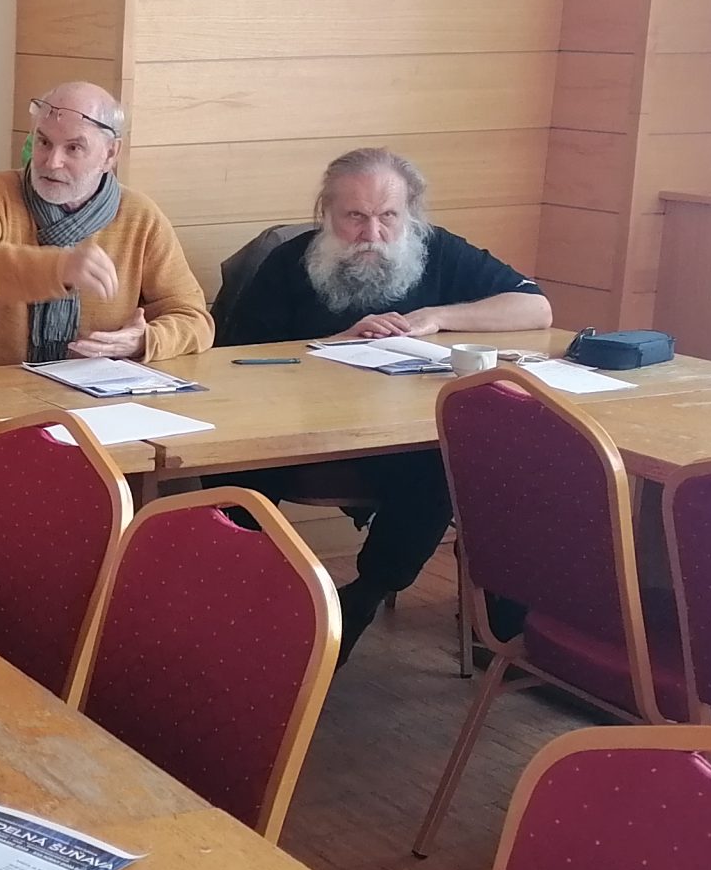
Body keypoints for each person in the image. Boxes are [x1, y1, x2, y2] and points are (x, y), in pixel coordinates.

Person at [219, 146, 553, 658]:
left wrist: (436, 317)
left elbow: (536, 308)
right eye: (354, 216)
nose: (371, 234)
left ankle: (367, 593)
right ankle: (237, 609)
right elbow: (234, 362)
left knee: (448, 460)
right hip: (302, 436)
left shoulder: (437, 250)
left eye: (388, 217)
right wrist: (332, 343)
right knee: (236, 463)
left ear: (409, 214)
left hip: (403, 437)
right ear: (327, 212)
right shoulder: (290, 262)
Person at [0, 81, 213, 369]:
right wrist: (59, 268)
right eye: (44, 142)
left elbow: (193, 319)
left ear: (110, 154)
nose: (52, 162)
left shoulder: (140, 218)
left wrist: (143, 341)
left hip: (92, 392)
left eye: (73, 148)